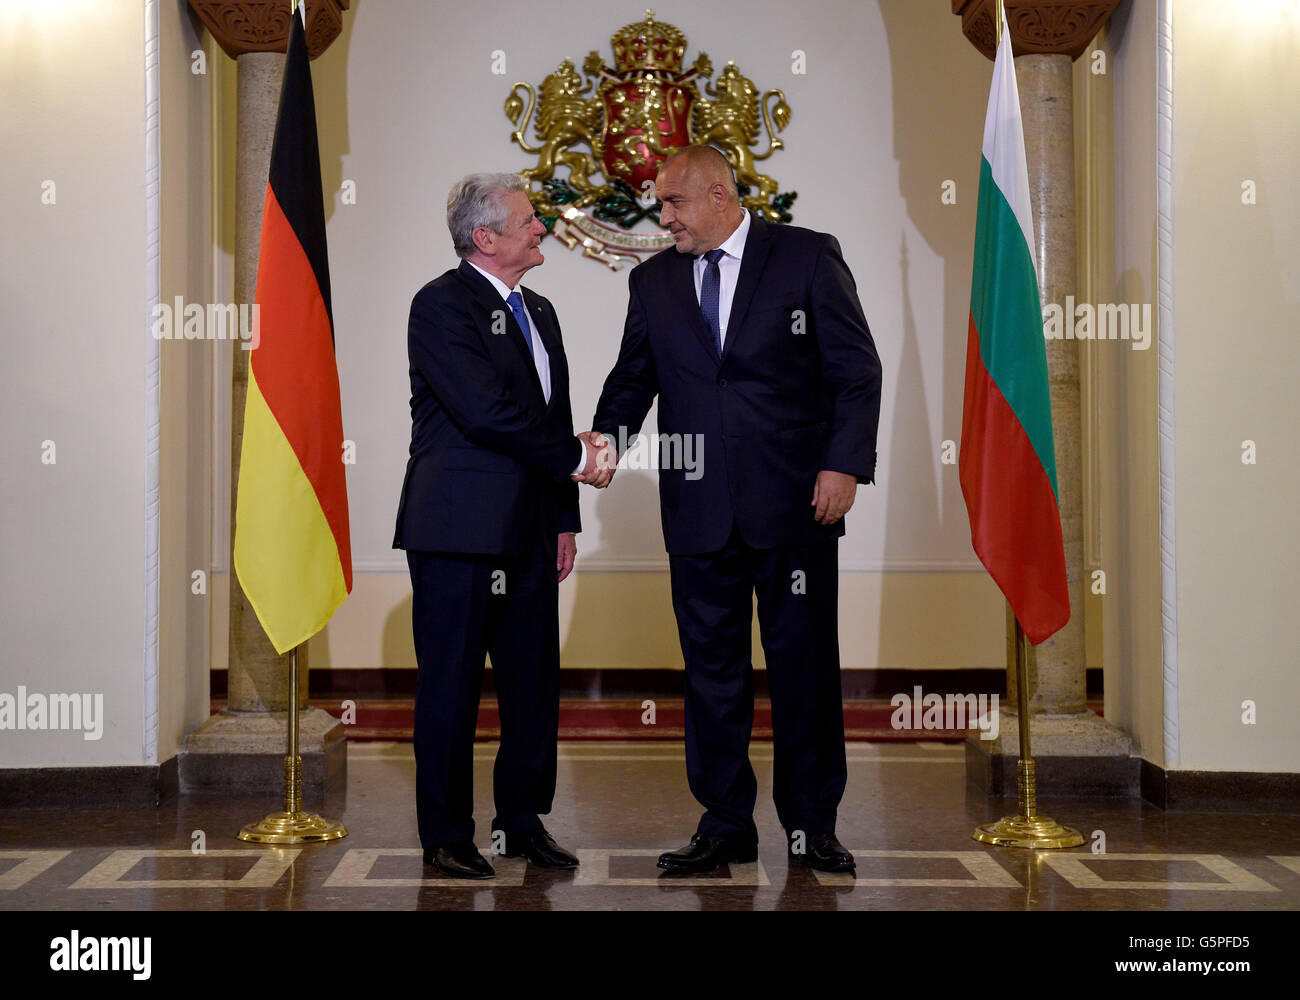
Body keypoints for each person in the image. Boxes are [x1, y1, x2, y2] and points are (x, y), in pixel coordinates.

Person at [583, 145, 882, 875]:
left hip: (795, 506)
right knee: (712, 674)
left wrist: (844, 464)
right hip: (698, 510)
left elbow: (855, 369)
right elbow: (634, 377)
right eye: (660, 205)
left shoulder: (808, 257)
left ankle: (811, 827)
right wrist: (606, 440)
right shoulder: (653, 281)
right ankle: (724, 826)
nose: (664, 219)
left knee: (803, 673)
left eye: (674, 205)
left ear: (719, 195)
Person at [393, 172, 611, 879]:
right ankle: (447, 835)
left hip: (529, 530)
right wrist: (579, 457)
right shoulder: (440, 307)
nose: (540, 228)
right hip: (457, 532)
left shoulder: (539, 310)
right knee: (451, 688)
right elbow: (486, 414)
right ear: (484, 238)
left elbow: (550, 412)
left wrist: (565, 517)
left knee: (530, 686)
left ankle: (521, 824)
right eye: (527, 221)